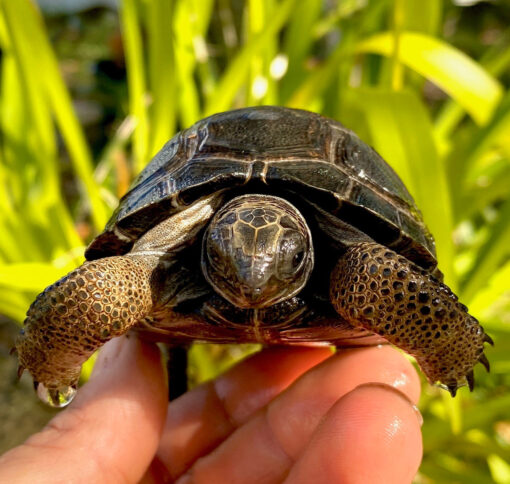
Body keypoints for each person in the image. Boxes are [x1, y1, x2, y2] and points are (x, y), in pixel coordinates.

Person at [0, 336, 423, 483]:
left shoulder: (361, 267)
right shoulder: (161, 262)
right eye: (229, 261)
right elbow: (109, 278)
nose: (253, 281)